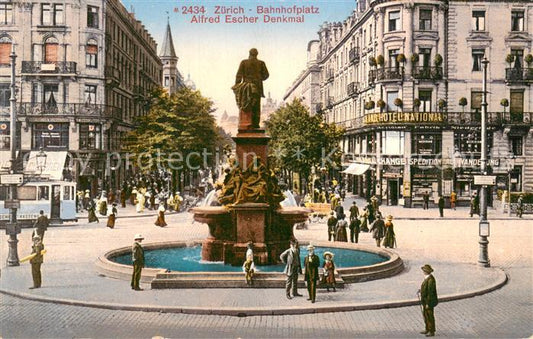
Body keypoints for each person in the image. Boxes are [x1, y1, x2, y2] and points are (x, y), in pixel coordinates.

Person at [232, 48, 269, 129]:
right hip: (257, 87)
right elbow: (266, 75)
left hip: (246, 86)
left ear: (249, 54)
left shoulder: (244, 62)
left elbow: (239, 75)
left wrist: (237, 86)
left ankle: (247, 124)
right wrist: (259, 78)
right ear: (257, 54)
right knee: (256, 106)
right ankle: (255, 125)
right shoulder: (261, 63)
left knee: (246, 104)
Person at [418, 264, 438, 337]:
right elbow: (426, 288)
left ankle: (432, 331)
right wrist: (421, 290)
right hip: (425, 300)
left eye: (424, 270)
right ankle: (427, 329)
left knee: (429, 316)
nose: (423, 271)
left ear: (426, 271)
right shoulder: (427, 278)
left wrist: (428, 303)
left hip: (428, 301)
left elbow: (430, 292)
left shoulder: (430, 280)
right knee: (425, 315)